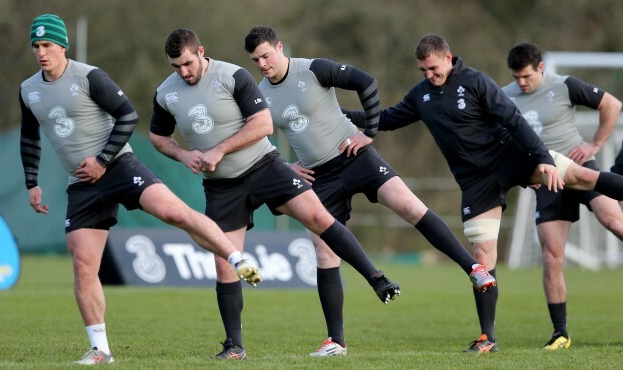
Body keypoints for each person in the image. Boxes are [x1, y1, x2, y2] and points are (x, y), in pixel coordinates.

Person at [344, 34, 623, 353]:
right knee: (481, 257)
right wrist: (336, 115)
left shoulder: (477, 82)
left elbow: (513, 121)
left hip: (513, 156)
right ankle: (487, 337)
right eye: (423, 71)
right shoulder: (421, 95)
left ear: (448, 58)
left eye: (433, 68)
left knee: (585, 177)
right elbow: (390, 119)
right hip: (476, 183)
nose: (429, 76)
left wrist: (543, 160)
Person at [19, 15, 262, 365]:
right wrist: (31, 182)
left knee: (174, 213)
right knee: (83, 265)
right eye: (36, 46)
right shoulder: (28, 89)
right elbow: (29, 137)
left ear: (62, 46)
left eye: (47, 45)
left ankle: (236, 257)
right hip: (82, 184)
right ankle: (100, 350)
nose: (41, 52)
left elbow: (128, 116)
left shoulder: (89, 76)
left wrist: (103, 159)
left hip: (118, 167)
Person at [243, 25, 496, 357]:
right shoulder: (262, 95)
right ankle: (336, 341)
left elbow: (366, 82)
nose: (262, 64)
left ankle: (473, 269)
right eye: (255, 60)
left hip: (355, 156)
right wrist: (284, 165)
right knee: (322, 251)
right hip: (319, 177)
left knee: (408, 206)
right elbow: (255, 135)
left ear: (279, 47)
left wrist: (370, 133)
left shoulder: (313, 68)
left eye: (265, 55)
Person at [149, 28, 401, 361]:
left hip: (264, 167)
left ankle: (377, 278)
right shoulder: (166, 94)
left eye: (186, 63)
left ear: (201, 53)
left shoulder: (233, 76)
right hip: (222, 187)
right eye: (174, 67)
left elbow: (263, 125)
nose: (182, 72)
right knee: (226, 265)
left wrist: (218, 150)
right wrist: (184, 155)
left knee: (318, 217)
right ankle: (234, 347)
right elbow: (158, 137)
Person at [503, 42, 623, 350]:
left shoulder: (565, 86)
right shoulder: (504, 97)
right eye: (516, 77)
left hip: (582, 170)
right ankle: (561, 334)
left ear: (541, 67)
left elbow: (612, 104)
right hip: (547, 180)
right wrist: (522, 172)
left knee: (616, 222)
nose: (521, 82)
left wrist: (594, 145)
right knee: (551, 256)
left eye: (526, 76)